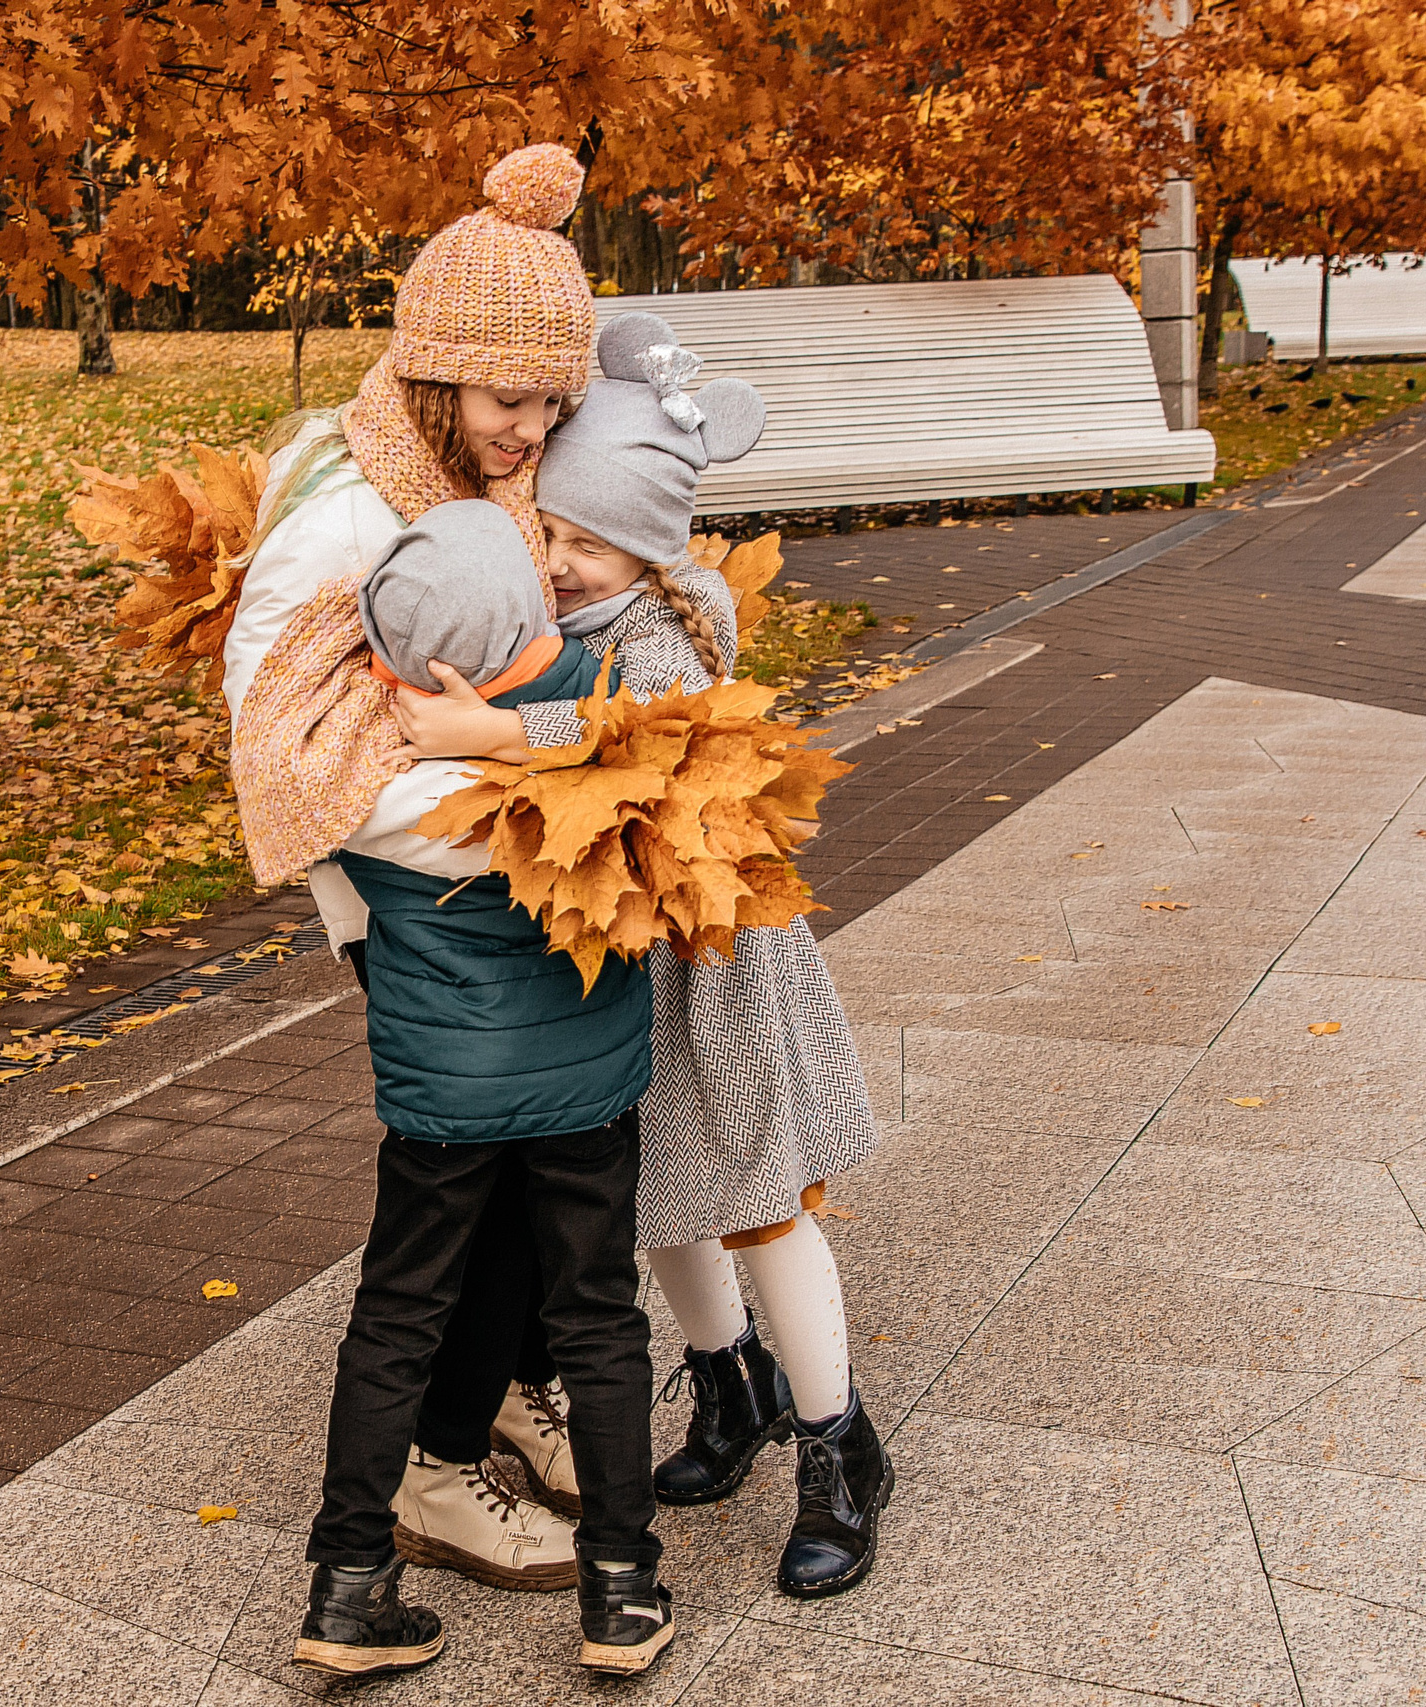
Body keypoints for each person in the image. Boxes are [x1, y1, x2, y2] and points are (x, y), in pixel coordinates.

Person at [396, 311, 892, 1599]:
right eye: (546, 534)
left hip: (718, 966)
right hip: (634, 961)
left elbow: (636, 732)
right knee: (661, 1190)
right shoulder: (594, 605)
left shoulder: (663, 630)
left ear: (645, 543)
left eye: (580, 541)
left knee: (757, 1195)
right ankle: (728, 1387)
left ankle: (840, 1442)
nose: (553, 562)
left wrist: (497, 736)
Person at [291, 498, 677, 1679]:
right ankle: (620, 1591)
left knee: (394, 1316)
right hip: (584, 1090)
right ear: (523, 604)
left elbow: (335, 876)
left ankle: (348, 1591)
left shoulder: (358, 743)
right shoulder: (597, 701)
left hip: (435, 1092)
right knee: (597, 1319)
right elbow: (675, 738)